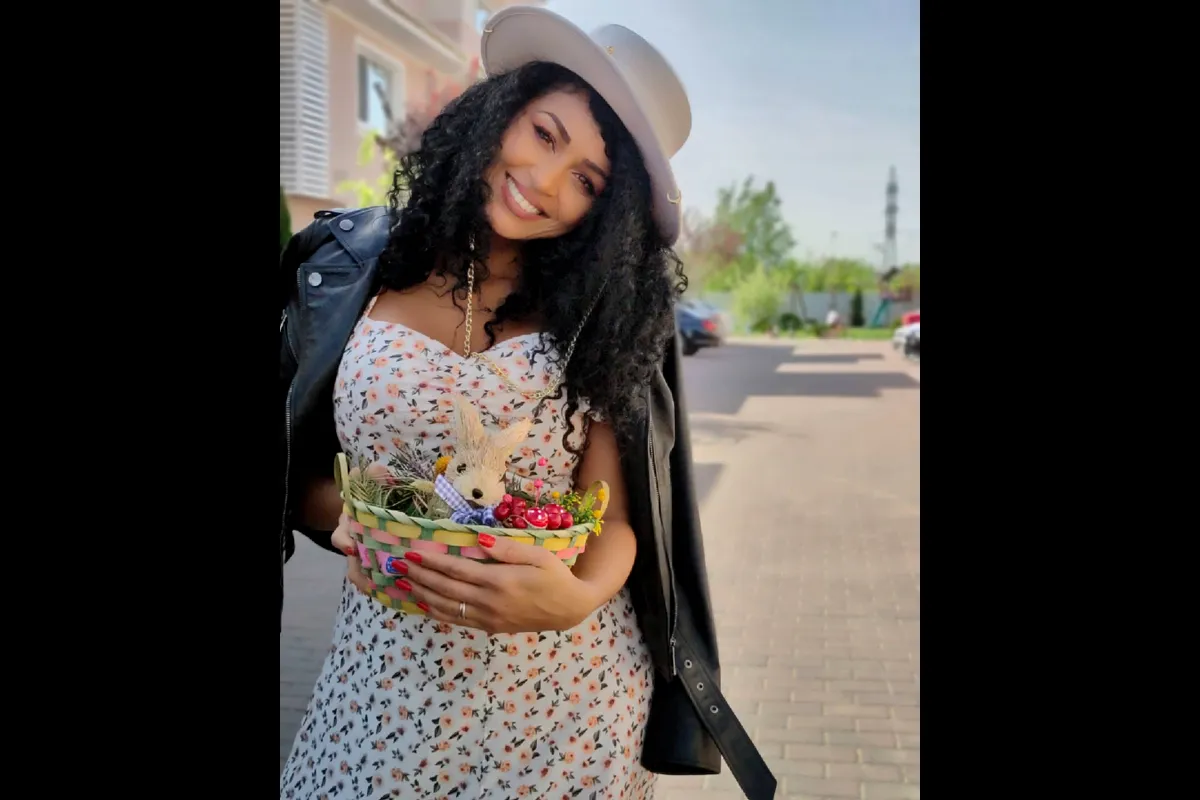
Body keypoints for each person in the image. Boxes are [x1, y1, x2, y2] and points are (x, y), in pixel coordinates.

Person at [278, 7, 775, 800]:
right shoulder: (344, 265)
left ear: (607, 209)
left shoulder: (605, 313)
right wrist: (352, 521)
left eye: (586, 180)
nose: (545, 181)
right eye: (545, 134)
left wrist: (572, 599)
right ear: (503, 109)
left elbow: (615, 519)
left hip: (563, 710)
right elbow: (296, 467)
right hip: (382, 686)